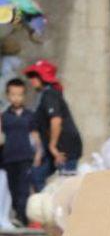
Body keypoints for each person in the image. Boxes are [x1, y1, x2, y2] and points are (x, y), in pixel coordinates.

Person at [24, 59, 81, 192]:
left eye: (35, 75)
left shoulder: (50, 95)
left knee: (67, 187)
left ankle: (66, 211)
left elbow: (56, 121)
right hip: (53, 150)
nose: (31, 79)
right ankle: (48, 206)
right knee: (36, 175)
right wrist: (41, 151)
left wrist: (53, 146)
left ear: (43, 77)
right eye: (30, 76)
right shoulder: (43, 95)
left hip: (64, 148)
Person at [1, 78, 40, 226]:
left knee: (23, 189)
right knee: (12, 190)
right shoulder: (4, 117)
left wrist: (37, 153)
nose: (16, 98)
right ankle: (17, 215)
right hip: (8, 158)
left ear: (24, 95)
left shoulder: (30, 115)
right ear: (8, 95)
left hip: (25, 157)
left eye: (19, 94)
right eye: (13, 94)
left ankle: (22, 219)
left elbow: (35, 136)